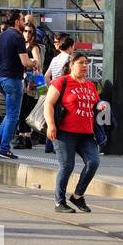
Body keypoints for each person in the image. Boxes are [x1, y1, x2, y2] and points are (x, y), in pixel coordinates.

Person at [45, 51, 106, 214]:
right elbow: (48, 104)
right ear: (71, 65)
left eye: (86, 63)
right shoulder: (61, 82)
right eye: (81, 63)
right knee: (67, 166)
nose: (85, 66)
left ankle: (78, 196)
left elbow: (94, 102)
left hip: (86, 133)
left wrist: (99, 104)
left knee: (93, 162)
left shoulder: (90, 85)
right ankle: (59, 202)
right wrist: (51, 125)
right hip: (64, 132)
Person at [0, 11, 35, 160]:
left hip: (1, 78)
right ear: (17, 21)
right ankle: (4, 148)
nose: (24, 22)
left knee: (10, 113)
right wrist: (34, 63)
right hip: (13, 79)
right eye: (23, 19)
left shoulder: (2, 35)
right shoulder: (18, 37)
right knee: (13, 115)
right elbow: (25, 62)